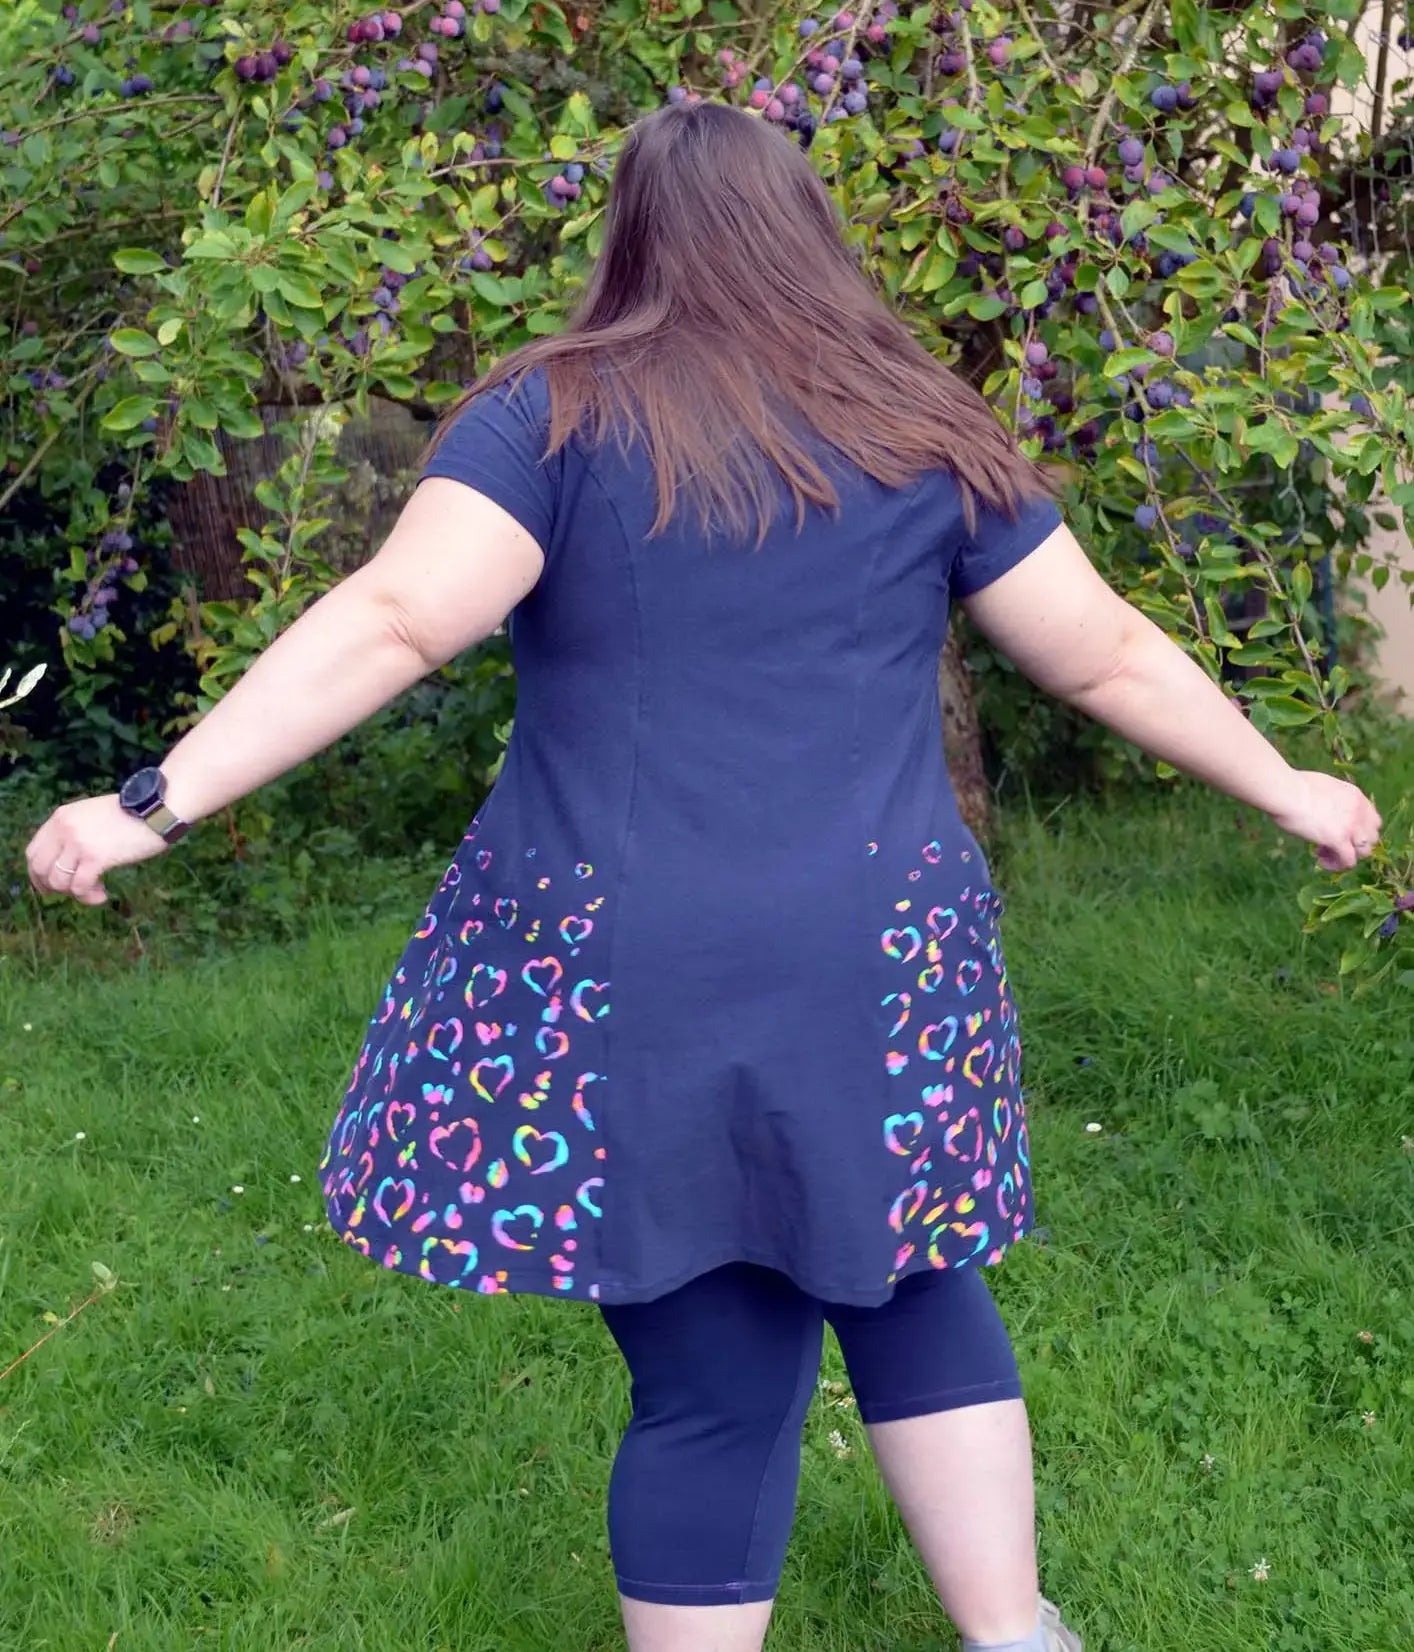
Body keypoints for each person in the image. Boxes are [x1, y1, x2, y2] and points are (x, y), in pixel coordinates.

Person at [27, 101, 1381, 1652]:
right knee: (913, 1284)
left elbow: (403, 618)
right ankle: (1014, 1639)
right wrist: (1282, 782)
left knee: (712, 1375)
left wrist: (156, 797)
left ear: (632, 238)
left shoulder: (548, 417)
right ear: (811, 231)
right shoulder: (922, 423)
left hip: (627, 966)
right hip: (881, 957)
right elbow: (1105, 649)